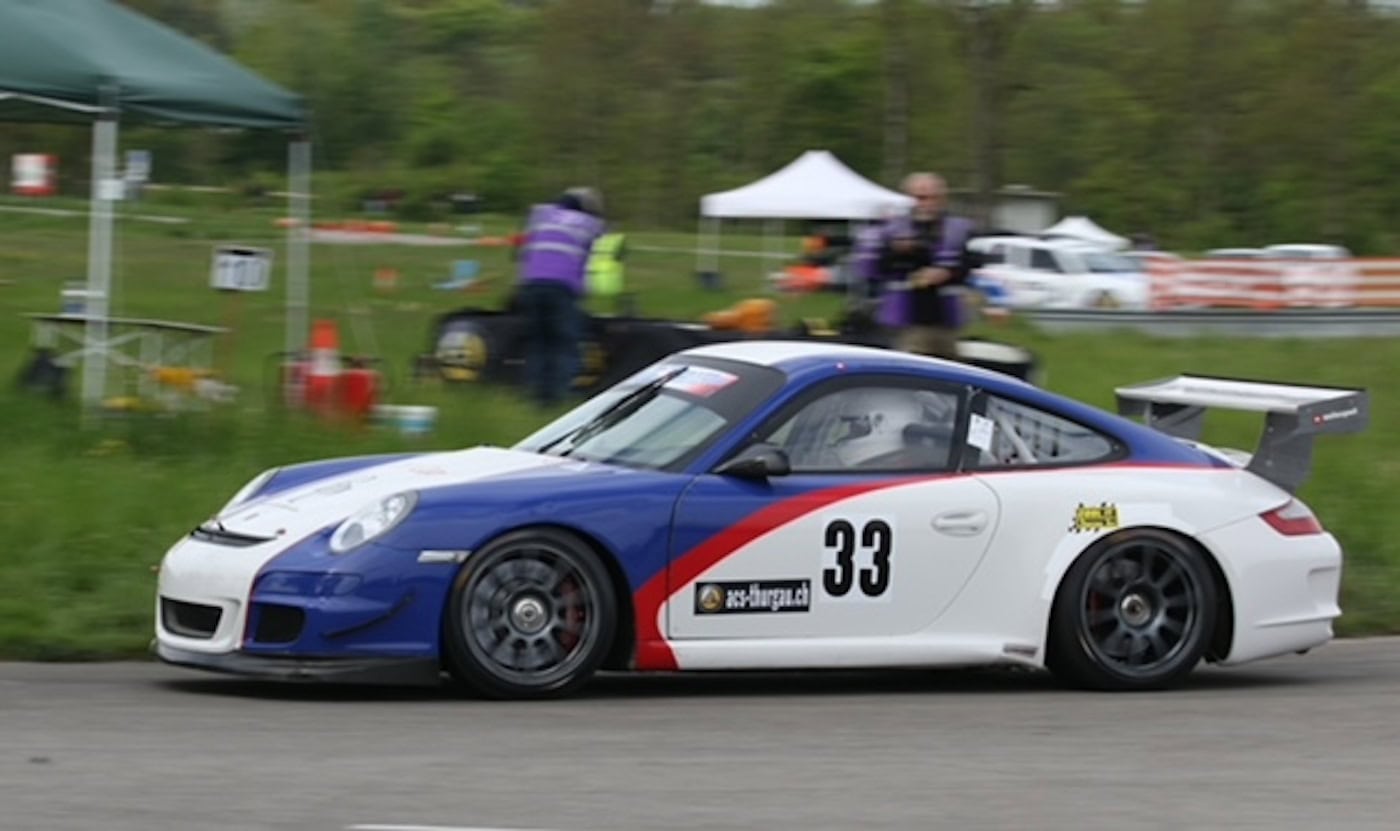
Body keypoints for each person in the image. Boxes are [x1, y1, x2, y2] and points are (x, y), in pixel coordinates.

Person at [515, 186, 606, 407]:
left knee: (539, 341)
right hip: (562, 288)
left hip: (531, 284)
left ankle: (534, 396)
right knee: (564, 343)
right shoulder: (590, 224)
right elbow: (587, 261)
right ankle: (557, 399)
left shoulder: (540, 216)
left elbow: (524, 252)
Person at [871, 172, 976, 358]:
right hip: (906, 319)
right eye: (920, 197)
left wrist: (947, 273)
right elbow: (876, 267)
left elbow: (970, 263)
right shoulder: (891, 229)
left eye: (934, 197)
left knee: (949, 374)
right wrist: (898, 252)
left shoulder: (957, 228)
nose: (927, 203)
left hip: (945, 319)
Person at [585, 229, 627, 313]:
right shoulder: (617, 239)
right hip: (610, 269)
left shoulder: (593, 237)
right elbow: (621, 254)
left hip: (592, 267)